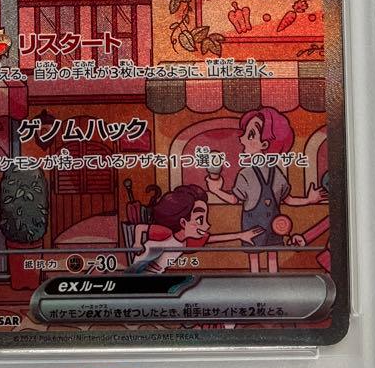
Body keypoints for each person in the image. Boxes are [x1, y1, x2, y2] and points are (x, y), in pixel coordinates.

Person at [205, 108, 327, 272]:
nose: (241, 138)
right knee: (266, 258)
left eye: (250, 135)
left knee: (262, 258)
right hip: (255, 226)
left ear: (264, 144)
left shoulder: (250, 174)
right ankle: (267, 282)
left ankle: (266, 282)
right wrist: (308, 200)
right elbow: (289, 199)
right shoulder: (268, 172)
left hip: (274, 225)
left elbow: (234, 199)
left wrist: (216, 190)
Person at [130, 184, 261, 274]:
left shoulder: (185, 243)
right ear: (183, 222)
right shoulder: (165, 233)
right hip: (137, 273)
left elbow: (212, 239)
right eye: (199, 220)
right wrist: (137, 243)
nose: (207, 225)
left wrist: (240, 235)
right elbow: (140, 227)